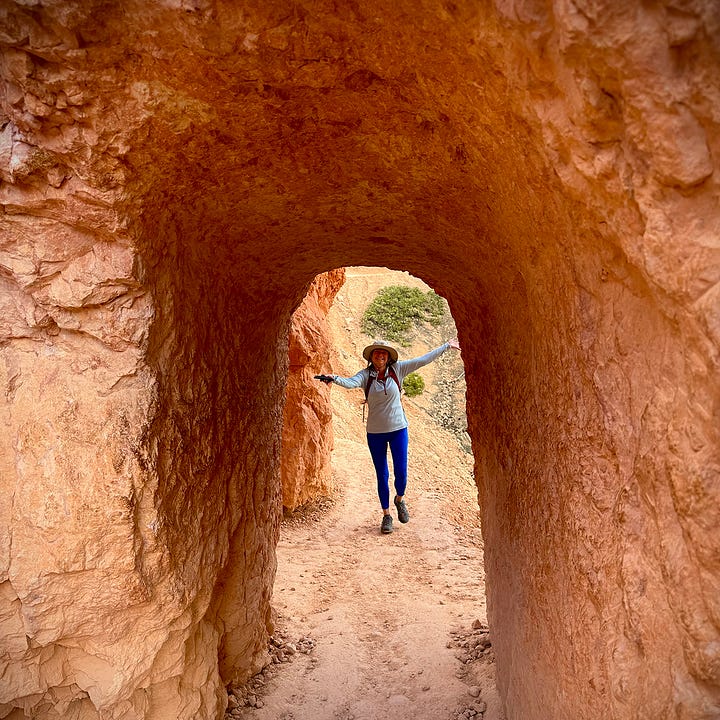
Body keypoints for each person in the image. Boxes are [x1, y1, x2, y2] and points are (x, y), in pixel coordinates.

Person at [320, 338, 461, 534]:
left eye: (384, 353)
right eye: (377, 353)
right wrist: (333, 378)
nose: (380, 355)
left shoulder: (398, 370)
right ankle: (386, 515)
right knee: (382, 475)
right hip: (375, 432)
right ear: (371, 356)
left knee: (401, 473)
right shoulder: (365, 376)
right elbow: (350, 383)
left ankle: (399, 499)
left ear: (388, 357)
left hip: (398, 430)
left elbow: (423, 360)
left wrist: (446, 346)